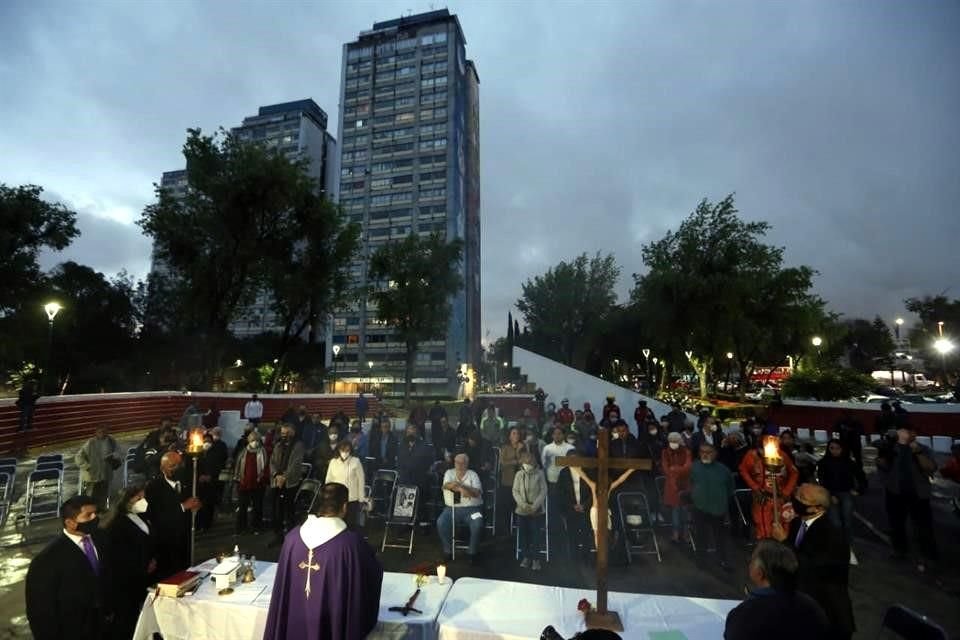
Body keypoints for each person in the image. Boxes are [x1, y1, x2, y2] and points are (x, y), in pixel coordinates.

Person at [263, 483, 383, 640]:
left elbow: (282, 589)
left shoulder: (292, 539)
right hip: (331, 626)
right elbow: (371, 576)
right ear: (345, 506)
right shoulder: (350, 545)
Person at [25, 495, 112, 640]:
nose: (95, 518)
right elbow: (40, 612)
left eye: (95, 513)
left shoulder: (102, 537)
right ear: (70, 522)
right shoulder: (47, 560)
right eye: (88, 515)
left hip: (104, 626)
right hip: (73, 632)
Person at [783, 484, 855, 640]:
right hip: (802, 602)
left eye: (802, 498)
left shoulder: (832, 535)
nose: (796, 499)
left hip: (827, 612)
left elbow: (809, 566)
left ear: (816, 509)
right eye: (798, 494)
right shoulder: (798, 522)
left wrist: (783, 542)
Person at [723, 540, 829, 640]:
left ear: (759, 573)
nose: (749, 564)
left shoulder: (743, 616)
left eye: (751, 560)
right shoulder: (812, 607)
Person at [875, 425, 939, 569]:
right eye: (903, 432)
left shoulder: (923, 449)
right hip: (895, 493)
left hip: (918, 495)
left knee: (923, 527)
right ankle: (899, 550)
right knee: (896, 525)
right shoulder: (891, 448)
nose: (906, 435)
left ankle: (929, 555)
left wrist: (917, 452)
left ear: (915, 434)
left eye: (910, 432)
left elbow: (931, 468)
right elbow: (882, 465)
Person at [102, 484, 156, 640]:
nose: (143, 501)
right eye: (138, 498)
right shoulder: (116, 524)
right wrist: (143, 564)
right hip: (127, 579)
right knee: (127, 618)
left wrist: (152, 559)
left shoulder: (142, 515)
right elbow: (120, 554)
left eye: (143, 497)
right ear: (126, 501)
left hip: (146, 573)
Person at [145, 451, 200, 580]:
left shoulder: (187, 480)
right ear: (162, 468)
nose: (176, 469)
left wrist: (197, 506)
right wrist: (182, 507)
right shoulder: (154, 487)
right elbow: (156, 516)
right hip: (167, 541)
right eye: (172, 466)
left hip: (185, 536)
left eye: (179, 465)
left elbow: (195, 500)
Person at [739, 435, 798, 540]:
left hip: (780, 498)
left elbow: (794, 472)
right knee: (763, 527)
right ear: (759, 448)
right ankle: (765, 548)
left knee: (782, 525)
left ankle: (781, 549)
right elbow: (743, 470)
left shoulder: (782, 456)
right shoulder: (751, 456)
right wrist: (755, 488)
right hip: (762, 498)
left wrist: (786, 492)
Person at [690, 443, 735, 570]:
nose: (705, 454)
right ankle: (701, 562)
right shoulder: (694, 467)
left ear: (715, 454)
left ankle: (722, 560)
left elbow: (730, 489)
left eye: (708, 452)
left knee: (720, 537)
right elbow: (689, 484)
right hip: (699, 508)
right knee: (700, 536)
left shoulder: (724, 470)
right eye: (702, 451)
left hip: (718, 509)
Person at [436, 453, 484, 564]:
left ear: (467, 463)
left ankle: (472, 552)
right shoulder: (449, 472)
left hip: (472, 509)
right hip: (451, 509)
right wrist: (463, 490)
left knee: (478, 523)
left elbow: (477, 493)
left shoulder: (473, 474)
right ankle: (448, 550)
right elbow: (446, 486)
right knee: (441, 522)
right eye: (457, 462)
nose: (460, 465)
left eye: (463, 462)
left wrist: (462, 486)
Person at [269, 423, 306, 545]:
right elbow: (272, 461)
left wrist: (284, 477)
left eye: (286, 433)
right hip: (277, 482)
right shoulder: (278, 445)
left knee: (289, 510)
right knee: (276, 510)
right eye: (282, 433)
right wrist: (276, 475)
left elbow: (295, 464)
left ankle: (291, 538)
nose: (284, 435)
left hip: (290, 483)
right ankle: (278, 535)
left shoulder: (298, 445)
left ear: (292, 432)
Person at [816, 439, 860, 541]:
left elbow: (859, 476)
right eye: (832, 448)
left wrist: (857, 489)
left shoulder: (849, 462)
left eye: (837, 448)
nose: (834, 451)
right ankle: (837, 542)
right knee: (836, 523)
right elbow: (821, 481)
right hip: (829, 493)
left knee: (847, 521)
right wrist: (830, 495)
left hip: (845, 492)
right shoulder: (823, 463)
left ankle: (848, 543)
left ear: (842, 449)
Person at [513, 450, 547, 570]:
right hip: (522, 510)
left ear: (533, 460)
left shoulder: (540, 474)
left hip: (536, 511)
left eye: (530, 459)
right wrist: (523, 505)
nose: (528, 462)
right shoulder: (519, 474)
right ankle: (526, 557)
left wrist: (534, 507)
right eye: (525, 460)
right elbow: (515, 491)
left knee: (536, 535)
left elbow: (543, 491)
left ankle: (536, 559)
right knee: (523, 534)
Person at [76, 426, 121, 510]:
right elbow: (78, 457)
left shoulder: (111, 441)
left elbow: (118, 452)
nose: (102, 434)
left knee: (104, 493)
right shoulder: (90, 443)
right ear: (95, 433)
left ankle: (101, 510)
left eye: (104, 432)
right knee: (91, 494)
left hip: (106, 473)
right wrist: (87, 466)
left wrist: (114, 457)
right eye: (100, 432)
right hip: (92, 475)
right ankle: (90, 510)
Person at [325, 439, 367, 530]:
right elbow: (328, 480)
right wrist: (329, 496)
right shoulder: (333, 462)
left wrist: (361, 498)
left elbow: (361, 481)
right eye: (343, 450)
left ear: (350, 451)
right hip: (337, 498)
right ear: (339, 450)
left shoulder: (356, 461)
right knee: (337, 524)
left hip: (352, 499)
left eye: (347, 450)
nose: (345, 453)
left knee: (351, 524)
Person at [235, 428, 269, 534]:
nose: (255, 442)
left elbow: (266, 467)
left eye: (257, 440)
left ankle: (256, 527)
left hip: (258, 484)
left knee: (257, 508)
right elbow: (238, 465)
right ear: (249, 441)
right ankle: (242, 528)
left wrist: (263, 478)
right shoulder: (243, 452)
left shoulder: (263, 452)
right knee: (242, 507)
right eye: (252, 440)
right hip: (244, 484)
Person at [661, 431, 692, 543]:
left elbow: (688, 467)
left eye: (675, 441)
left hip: (684, 483)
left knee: (685, 509)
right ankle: (675, 533)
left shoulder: (687, 452)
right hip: (671, 484)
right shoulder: (665, 452)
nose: (673, 443)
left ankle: (686, 534)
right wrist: (677, 469)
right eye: (671, 441)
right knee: (675, 509)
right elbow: (665, 468)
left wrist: (675, 469)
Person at [196, 428, 228, 532]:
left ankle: (206, 525)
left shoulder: (215, 453)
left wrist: (210, 476)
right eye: (205, 441)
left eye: (209, 442)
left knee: (209, 505)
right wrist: (199, 477)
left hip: (211, 484)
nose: (207, 443)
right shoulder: (197, 454)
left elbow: (218, 467)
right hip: (199, 484)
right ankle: (198, 524)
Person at [498, 427, 528, 535]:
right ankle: (505, 532)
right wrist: (516, 460)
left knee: (519, 508)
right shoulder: (505, 448)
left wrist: (520, 451)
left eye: (518, 434)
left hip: (520, 483)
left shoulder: (523, 447)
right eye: (514, 433)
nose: (516, 436)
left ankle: (519, 531)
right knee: (506, 508)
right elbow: (503, 464)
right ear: (509, 436)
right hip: (507, 482)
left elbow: (525, 462)